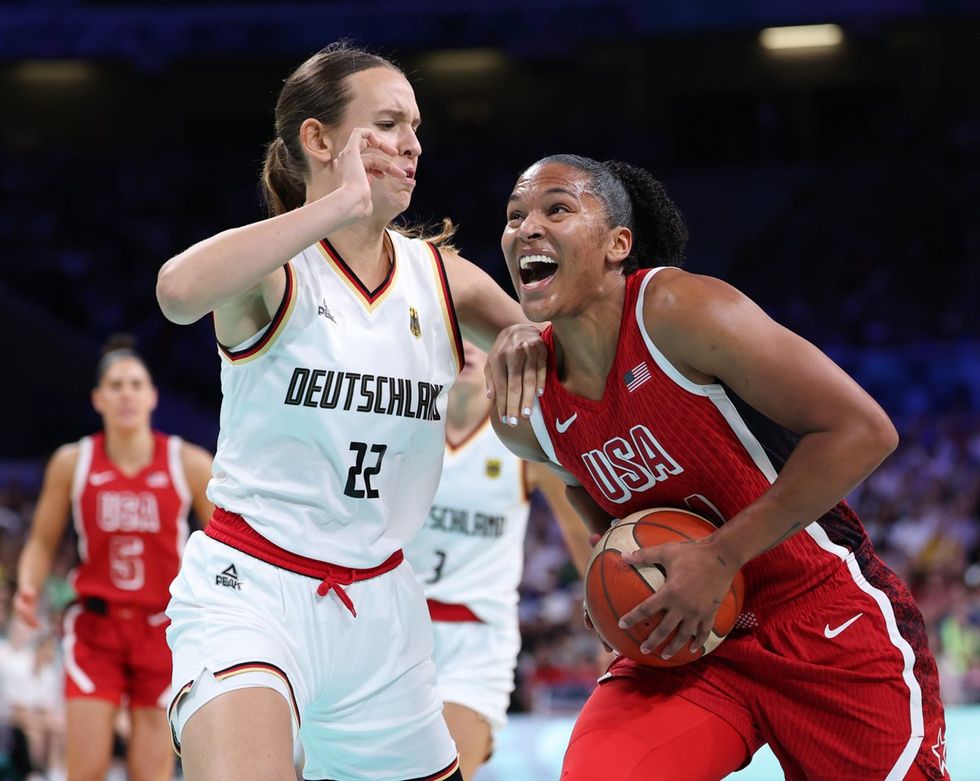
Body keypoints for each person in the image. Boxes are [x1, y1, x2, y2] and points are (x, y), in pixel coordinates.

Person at [488, 154, 949, 780]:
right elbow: (585, 494)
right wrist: (616, 569)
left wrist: (722, 555)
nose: (527, 228)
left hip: (819, 617)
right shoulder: (523, 412)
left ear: (618, 244)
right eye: (515, 216)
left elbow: (863, 430)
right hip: (686, 639)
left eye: (557, 208)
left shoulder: (677, 310)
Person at [155, 42, 541, 781]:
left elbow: (546, 347)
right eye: (389, 123)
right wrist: (338, 204)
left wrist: (531, 341)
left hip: (383, 607)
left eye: (416, 127)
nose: (412, 143)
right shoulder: (271, 268)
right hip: (254, 591)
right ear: (318, 138)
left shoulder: (442, 276)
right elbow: (176, 291)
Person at [14, 334, 214, 781]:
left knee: (151, 772)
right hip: (96, 629)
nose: (127, 393)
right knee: (85, 771)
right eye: (116, 385)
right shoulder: (73, 462)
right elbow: (42, 543)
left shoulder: (190, 463)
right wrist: (28, 585)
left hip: (161, 630)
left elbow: (229, 540)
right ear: (98, 399)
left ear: (153, 396)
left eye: (136, 384)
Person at [404, 340, 592, 779]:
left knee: (442, 771)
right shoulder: (397, 427)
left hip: (478, 639)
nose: (466, 345)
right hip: (388, 627)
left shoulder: (522, 440)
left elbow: (582, 536)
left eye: (476, 331)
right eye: (455, 329)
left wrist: (610, 622)